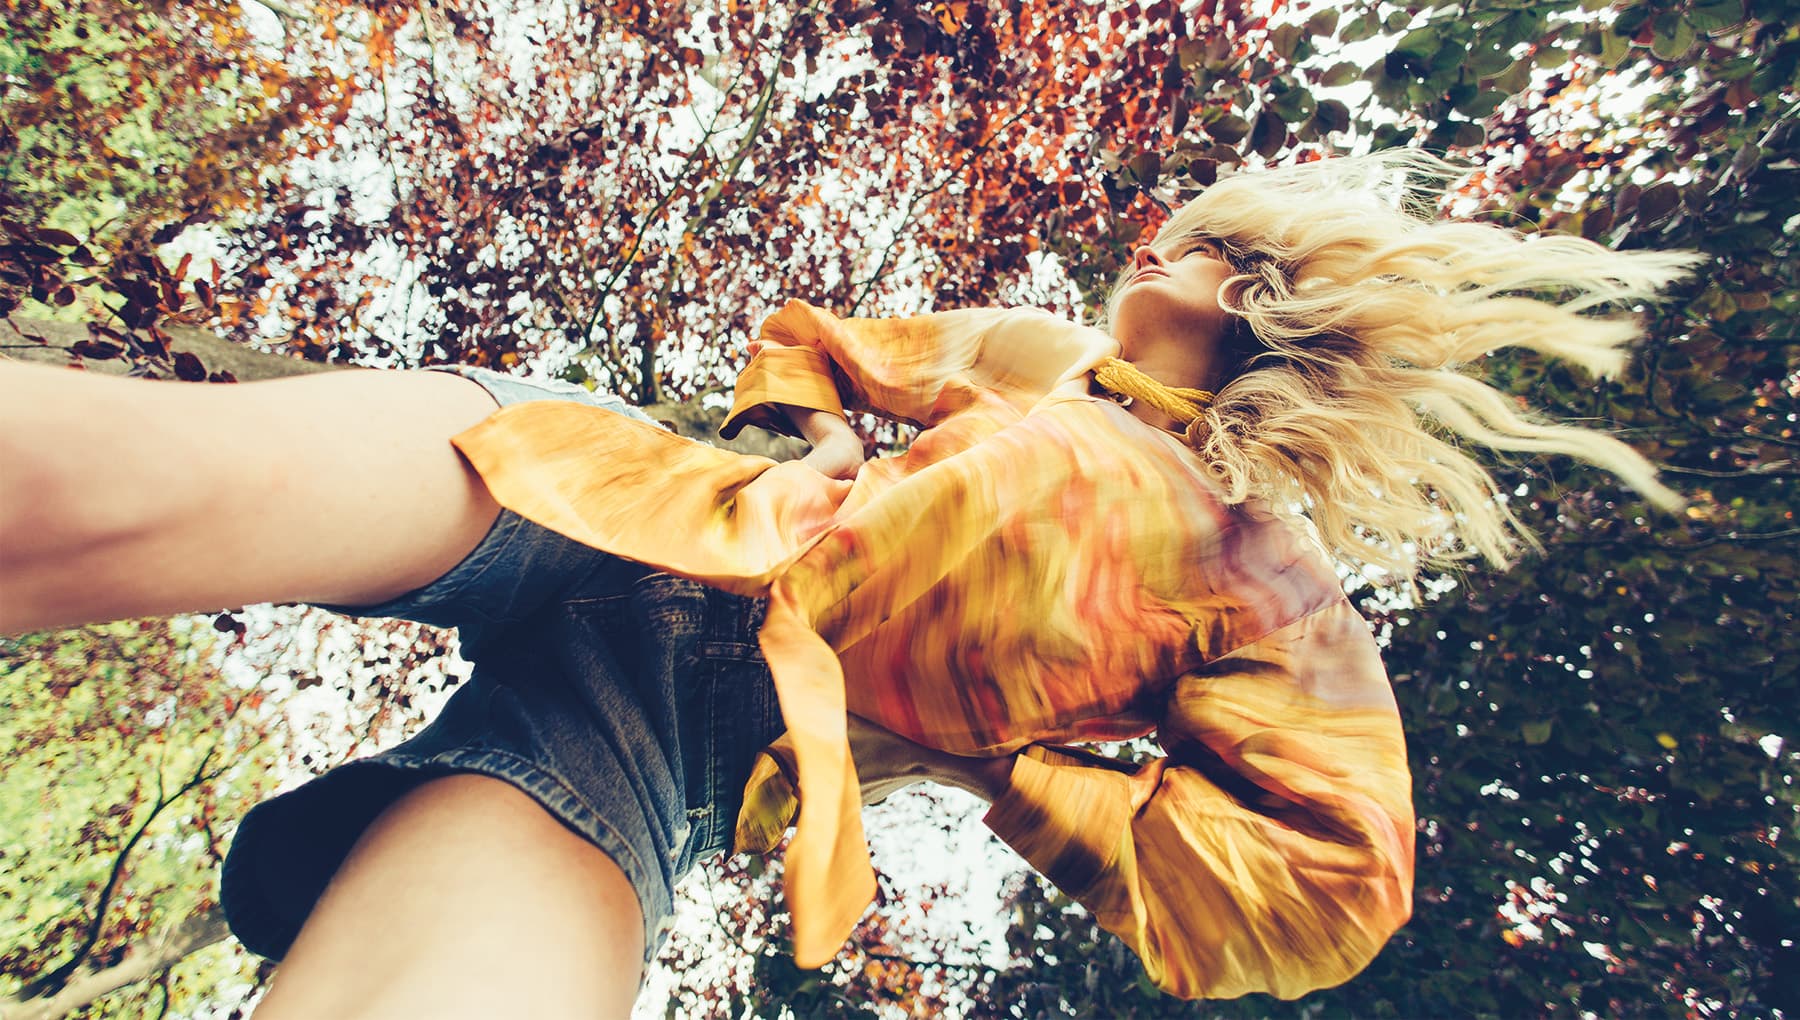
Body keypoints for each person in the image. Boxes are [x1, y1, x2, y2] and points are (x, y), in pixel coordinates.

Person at [0, 151, 1696, 1017]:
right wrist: (792, 429)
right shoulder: (1037, 355)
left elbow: (1329, 889)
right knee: (97, 483)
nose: (1155, 230)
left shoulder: (1268, 590)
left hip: (672, 735)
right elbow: (813, 336)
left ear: (1258, 290)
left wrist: (999, 772)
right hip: (618, 498)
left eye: (1196, 234)